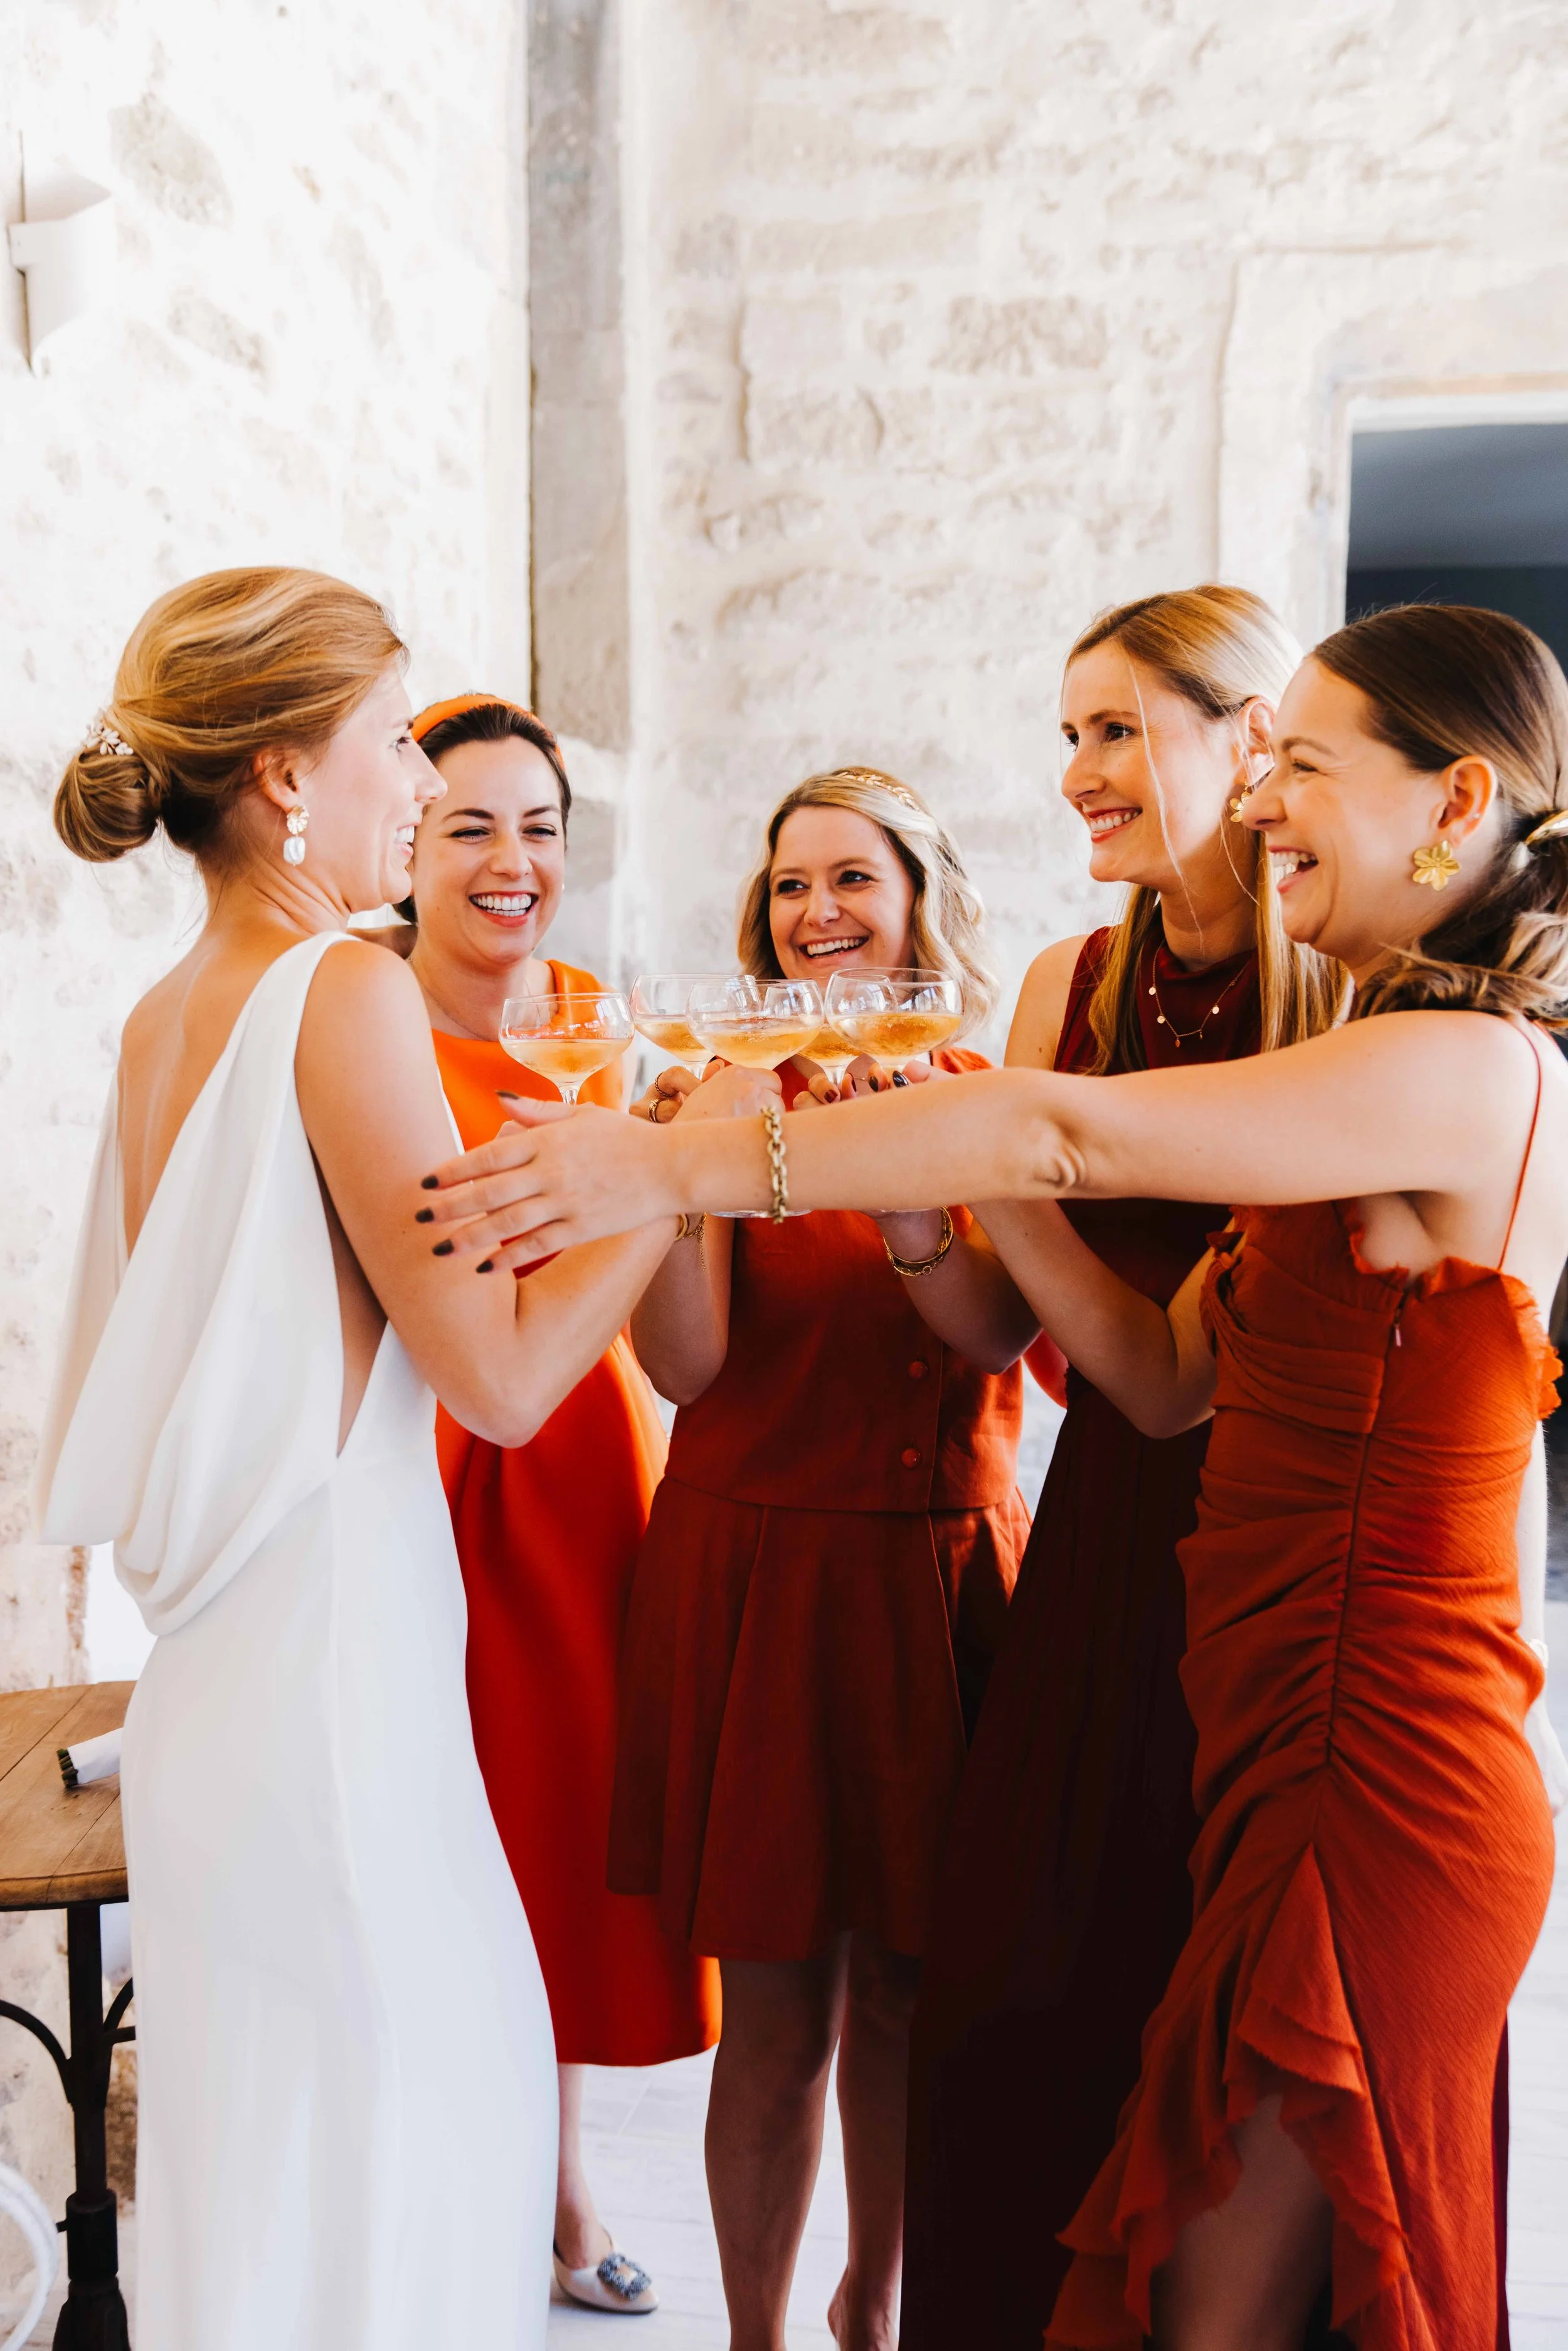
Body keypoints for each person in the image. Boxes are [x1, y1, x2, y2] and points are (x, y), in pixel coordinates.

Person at [425, 603, 1568, 2350]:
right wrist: (929, 1194)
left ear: (1456, 801)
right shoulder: (1358, 1067)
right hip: (1263, 1722)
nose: (1263, 804)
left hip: (1371, 1758)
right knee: (1184, 2252)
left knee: (1231, 2294)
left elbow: (1062, 1128)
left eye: (1302, 766)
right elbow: (1152, 1372)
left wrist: (672, 1162)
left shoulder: (1458, 1065)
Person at [34, 568, 682, 2351]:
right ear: (282, 778)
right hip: (338, 1700)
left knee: (279, 2197)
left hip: (219, 1701)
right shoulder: (342, 990)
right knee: (416, 2171)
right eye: (394, 740)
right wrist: (668, 1163)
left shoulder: (167, 1010)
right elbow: (504, 1377)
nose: (420, 779)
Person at [892, 586, 1343, 2350]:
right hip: (1097, 1541)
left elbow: (1168, 1370)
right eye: (1067, 732)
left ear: (1251, 742)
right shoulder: (1063, 983)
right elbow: (993, 1325)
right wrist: (921, 1211)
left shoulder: (1343, 1001)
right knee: (1007, 1991)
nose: (1075, 770)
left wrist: (986, 1157)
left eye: (1115, 728)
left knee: (1218, 2009)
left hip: (1276, 1545)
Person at [615, 768, 1035, 2351]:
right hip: (762, 1585)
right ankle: (756, 2334)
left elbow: (997, 1333)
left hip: (939, 1581)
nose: (817, 910)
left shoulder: (985, 1094)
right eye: (790, 884)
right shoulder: (724, 1092)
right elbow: (685, 1366)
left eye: (852, 877)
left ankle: (875, 2305)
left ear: (920, 897)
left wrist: (914, 1188)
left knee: (917, 1990)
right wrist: (677, 1177)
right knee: (777, 2005)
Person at [394, 690, 719, 2314]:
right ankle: (442, 2179)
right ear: (404, 845)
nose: (510, 860)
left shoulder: (595, 1020)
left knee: (564, 1830)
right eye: (470, 825)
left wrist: (683, 1176)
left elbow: (665, 1313)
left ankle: (560, 2169)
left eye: (538, 827)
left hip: (581, 1464)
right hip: (424, 1461)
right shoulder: (365, 1030)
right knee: (431, 1825)